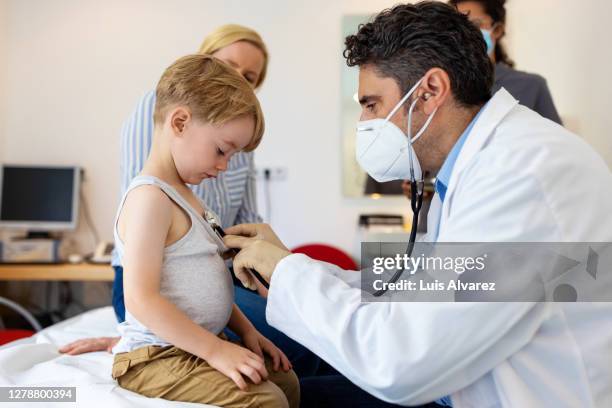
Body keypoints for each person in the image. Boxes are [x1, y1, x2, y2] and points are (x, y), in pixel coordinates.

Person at [222, 2, 612, 407]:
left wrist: (290, 274)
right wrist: (291, 265)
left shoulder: (522, 175)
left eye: (371, 104)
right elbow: (415, 287)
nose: (363, 123)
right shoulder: (472, 169)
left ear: (429, 92)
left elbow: (399, 360)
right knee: (290, 388)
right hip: (457, 383)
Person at [60, 24, 320, 378]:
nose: (238, 79)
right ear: (205, 61)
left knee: (308, 336)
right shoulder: (160, 127)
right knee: (299, 350)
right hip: (155, 274)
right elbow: (150, 211)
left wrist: (272, 276)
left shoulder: (236, 141)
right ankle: (140, 340)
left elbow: (239, 227)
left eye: (250, 77)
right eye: (228, 66)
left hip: (214, 276)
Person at [110, 54, 299, 407]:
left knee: (286, 382)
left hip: (193, 345)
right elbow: (140, 298)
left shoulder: (189, 198)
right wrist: (215, 350)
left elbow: (207, 285)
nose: (225, 166)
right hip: (155, 358)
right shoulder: (150, 199)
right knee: (267, 401)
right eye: (221, 150)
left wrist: (247, 332)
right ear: (179, 122)